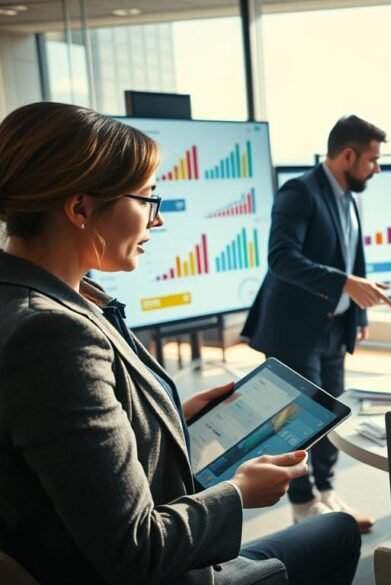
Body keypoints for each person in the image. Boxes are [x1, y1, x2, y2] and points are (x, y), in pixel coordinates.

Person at [0, 102, 360, 584]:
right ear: (80, 208)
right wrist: (238, 493)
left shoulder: (41, 298)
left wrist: (169, 418)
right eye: (148, 199)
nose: (158, 220)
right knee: (337, 533)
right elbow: (136, 551)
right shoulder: (50, 334)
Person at [242, 115, 391, 528]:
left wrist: (357, 312)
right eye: (372, 160)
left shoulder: (347, 195)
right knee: (296, 422)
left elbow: (351, 257)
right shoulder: (299, 192)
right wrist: (345, 284)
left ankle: (326, 493)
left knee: (331, 414)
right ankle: (303, 505)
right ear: (348, 155)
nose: (376, 168)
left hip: (332, 327)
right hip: (295, 329)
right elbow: (281, 259)